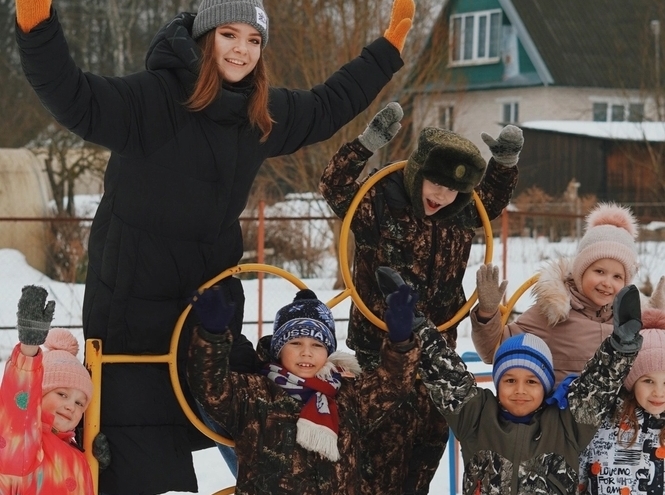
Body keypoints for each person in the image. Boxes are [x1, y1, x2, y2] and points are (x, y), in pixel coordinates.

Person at [14, 0, 415, 491]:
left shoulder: (256, 113)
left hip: (209, 307)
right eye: (230, 34)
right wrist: (36, 27)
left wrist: (386, 50)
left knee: (256, 413)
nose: (242, 50)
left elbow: (327, 105)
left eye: (254, 40)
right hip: (131, 305)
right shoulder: (152, 99)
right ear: (206, 38)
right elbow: (71, 95)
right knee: (132, 445)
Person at [318, 102, 522, 493]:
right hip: (380, 357)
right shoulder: (379, 202)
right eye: (435, 183)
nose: (442, 195)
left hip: (436, 362)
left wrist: (505, 164)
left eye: (453, 189)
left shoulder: (462, 215)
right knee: (374, 466)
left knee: (423, 458)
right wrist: (366, 144)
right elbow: (333, 186)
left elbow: (491, 201)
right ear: (416, 173)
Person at [185, 280, 421, 495]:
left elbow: (391, 385)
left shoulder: (348, 394)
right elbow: (210, 386)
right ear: (279, 349)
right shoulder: (255, 393)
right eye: (295, 342)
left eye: (317, 344)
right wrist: (212, 337)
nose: (306, 351)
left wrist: (401, 343)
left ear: (328, 352)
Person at [412, 276, 644, 493]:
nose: (520, 390)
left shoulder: (567, 425)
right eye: (510, 380)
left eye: (532, 381)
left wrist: (620, 346)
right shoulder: (478, 417)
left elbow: (599, 384)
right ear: (498, 383)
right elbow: (446, 374)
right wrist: (416, 328)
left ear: (545, 386)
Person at [472, 202, 640, 385]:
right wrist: (487, 314)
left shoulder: (628, 322)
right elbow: (494, 351)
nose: (607, 283)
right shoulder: (553, 313)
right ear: (580, 271)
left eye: (617, 276)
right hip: (560, 411)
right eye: (599, 271)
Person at [0, 285, 96, 494]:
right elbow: (18, 413)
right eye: (62, 394)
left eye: (80, 403)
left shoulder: (76, 452)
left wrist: (97, 465)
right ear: (39, 395)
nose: (71, 406)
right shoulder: (28, 444)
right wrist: (29, 349)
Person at [579, 307, 665, 494]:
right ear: (631, 381)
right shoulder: (606, 418)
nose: (659, 392)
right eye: (648, 380)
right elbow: (581, 471)